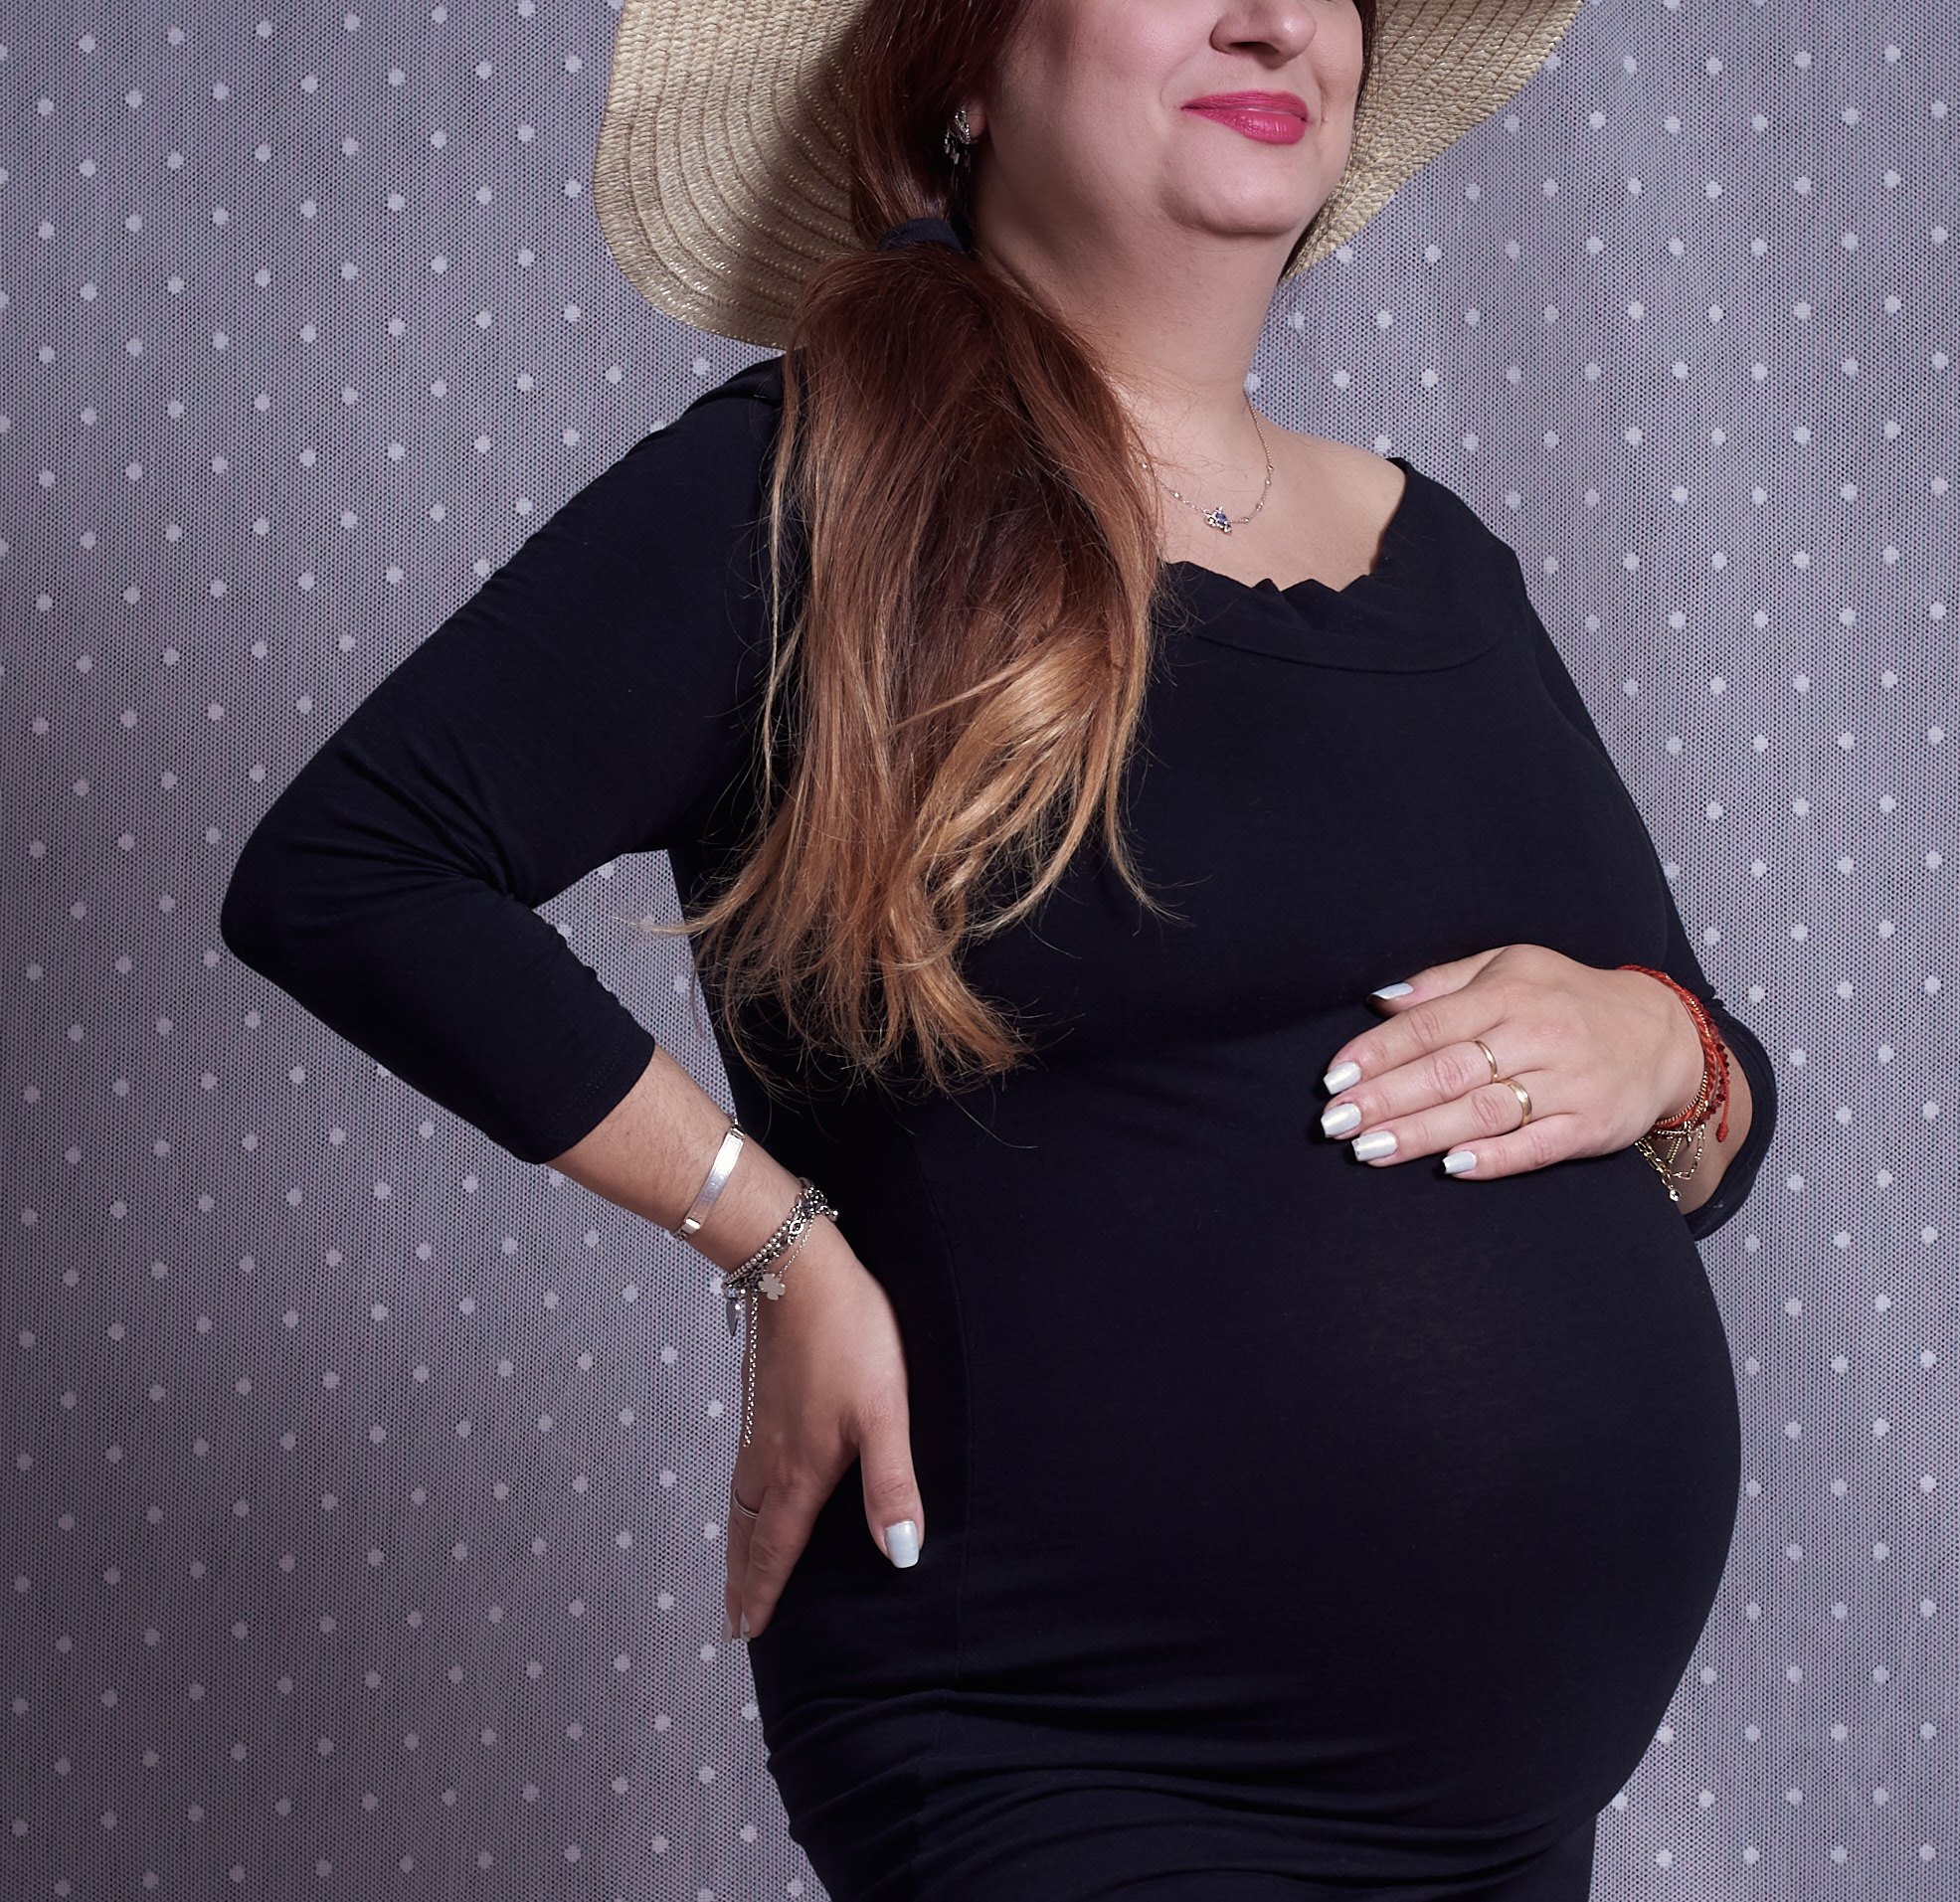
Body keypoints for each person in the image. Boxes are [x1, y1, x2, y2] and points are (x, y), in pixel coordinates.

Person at [220, 0, 1779, 1893]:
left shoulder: (1436, 559)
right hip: (1073, 1748)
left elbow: (1711, 1135)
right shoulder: (822, 484)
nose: (1269, 15)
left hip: (1508, 1827)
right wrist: (770, 1234)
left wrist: (1663, 1046)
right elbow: (353, 866)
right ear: (962, 66)